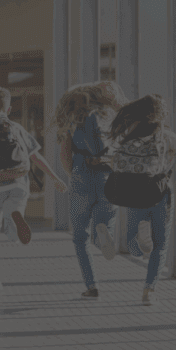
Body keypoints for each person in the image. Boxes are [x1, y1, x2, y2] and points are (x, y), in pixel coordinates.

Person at [107, 94, 176, 305]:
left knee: (132, 242)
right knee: (160, 245)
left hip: (133, 195)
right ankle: (149, 290)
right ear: (163, 115)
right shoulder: (169, 137)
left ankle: (139, 241)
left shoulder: (128, 136)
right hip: (159, 194)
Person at [0, 87, 67, 292]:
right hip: (18, 182)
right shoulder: (16, 127)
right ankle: (14, 221)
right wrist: (55, 178)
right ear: (9, 108)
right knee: (12, 225)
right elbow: (35, 157)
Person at [54, 81, 127, 300]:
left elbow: (65, 155)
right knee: (105, 223)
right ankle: (104, 234)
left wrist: (72, 174)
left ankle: (92, 284)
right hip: (107, 175)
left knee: (79, 237)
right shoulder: (110, 118)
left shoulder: (71, 121)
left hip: (81, 177)